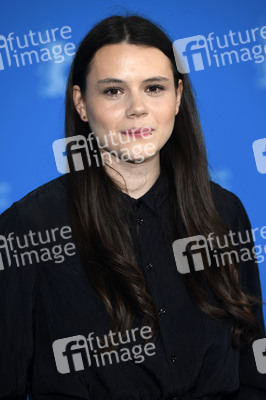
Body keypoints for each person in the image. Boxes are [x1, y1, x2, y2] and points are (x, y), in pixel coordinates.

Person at [0, 14, 265, 400]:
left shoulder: (224, 212)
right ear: (81, 103)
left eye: (154, 88)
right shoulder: (26, 227)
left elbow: (255, 375)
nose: (137, 108)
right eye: (113, 91)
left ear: (177, 98)